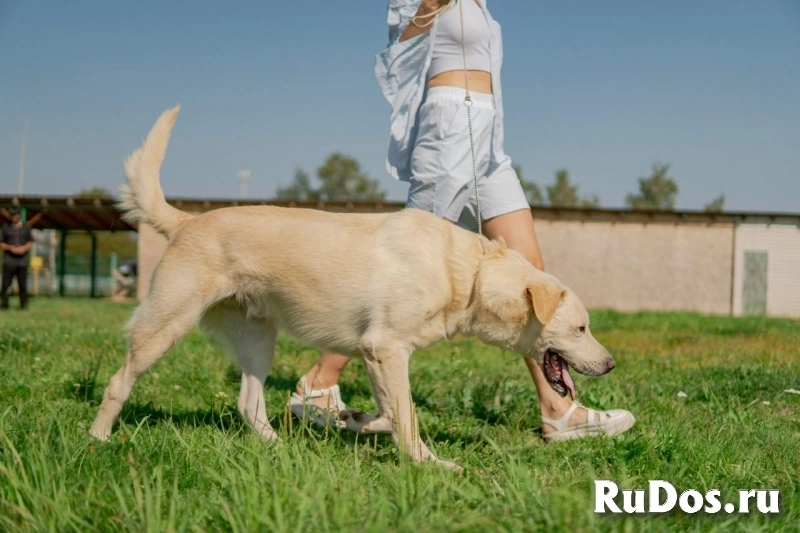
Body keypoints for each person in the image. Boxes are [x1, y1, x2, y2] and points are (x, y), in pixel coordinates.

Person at [289, 0, 635, 441]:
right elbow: (397, 54)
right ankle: (317, 386)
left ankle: (558, 409)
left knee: (532, 274)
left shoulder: (482, 6)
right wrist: (429, 9)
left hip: (489, 138)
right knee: (405, 275)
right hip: (448, 127)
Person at [1, 207, 35, 310]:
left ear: (19, 216)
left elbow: (30, 242)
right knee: (6, 285)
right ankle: (4, 304)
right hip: (9, 261)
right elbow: (1, 243)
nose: (13, 219)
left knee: (23, 285)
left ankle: (24, 305)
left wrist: (23, 248)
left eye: (15, 216)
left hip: (22, 261)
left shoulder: (26, 227)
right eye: (12, 217)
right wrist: (10, 248)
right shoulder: (5, 227)